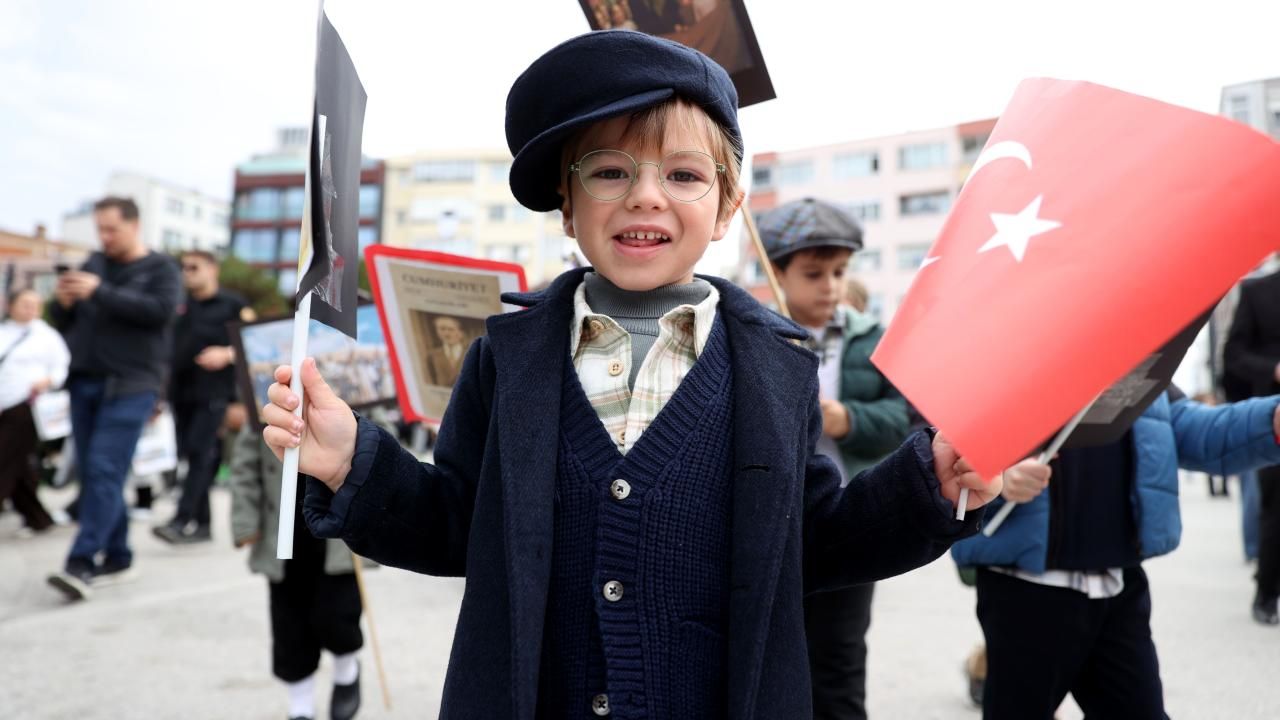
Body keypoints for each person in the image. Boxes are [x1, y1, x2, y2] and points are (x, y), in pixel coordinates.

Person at [260, 30, 1002, 718]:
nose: (645, 194)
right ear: (567, 207)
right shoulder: (503, 360)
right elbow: (456, 524)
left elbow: (812, 542)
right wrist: (354, 463)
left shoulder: (779, 369)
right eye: (610, 171)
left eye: (683, 174)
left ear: (726, 208)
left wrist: (927, 485)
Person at [952, 385, 1280, 719]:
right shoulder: (1001, 360)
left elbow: (1189, 427)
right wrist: (996, 477)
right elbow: (942, 445)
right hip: (1025, 590)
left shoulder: (1131, 357)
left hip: (1118, 583)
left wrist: (1271, 421)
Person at [759, 198, 909, 720]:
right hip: (773, 525)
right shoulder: (755, 337)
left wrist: (848, 419)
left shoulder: (873, 339)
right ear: (778, 274)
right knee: (771, 660)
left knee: (840, 662)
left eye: (840, 272)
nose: (830, 286)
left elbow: (905, 419)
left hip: (847, 519)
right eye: (813, 274)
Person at [45, 196, 182, 601]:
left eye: (112, 229)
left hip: (132, 386)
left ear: (134, 225)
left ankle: (81, 561)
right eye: (100, 229)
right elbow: (65, 321)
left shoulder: (161, 268)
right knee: (96, 473)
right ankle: (119, 555)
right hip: (84, 382)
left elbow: (160, 311)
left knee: (104, 468)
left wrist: (100, 291)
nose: (104, 237)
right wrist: (62, 303)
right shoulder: (93, 263)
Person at [229, 426, 362, 720]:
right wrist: (245, 521)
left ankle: (346, 670)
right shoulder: (265, 405)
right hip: (282, 527)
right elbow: (245, 466)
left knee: (338, 614)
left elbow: (380, 437)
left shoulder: (348, 399)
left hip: (335, 529)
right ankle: (300, 705)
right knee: (289, 623)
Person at [153, 250, 251, 544]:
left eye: (194, 267)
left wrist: (228, 353)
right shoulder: (179, 305)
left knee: (200, 454)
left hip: (215, 393)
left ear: (212, 269)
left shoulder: (233, 304)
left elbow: (255, 343)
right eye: (184, 268)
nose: (187, 273)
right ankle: (203, 524)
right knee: (194, 456)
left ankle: (181, 519)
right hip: (181, 394)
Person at [1223, 266, 1280, 624]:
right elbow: (1233, 356)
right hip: (1271, 417)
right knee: (1275, 508)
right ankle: (1267, 593)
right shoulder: (1257, 292)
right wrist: (1273, 370)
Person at [0, 288, 69, 536]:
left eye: (35, 304)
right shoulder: (4, 331)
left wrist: (47, 381)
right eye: (25, 304)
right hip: (4, 403)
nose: (30, 309)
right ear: (11, 305)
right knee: (18, 465)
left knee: (5, 458)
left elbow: (61, 367)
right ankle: (38, 518)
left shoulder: (46, 336)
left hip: (27, 405)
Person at [425, 315, 467, 388]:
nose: (446, 334)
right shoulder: (432, 356)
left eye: (451, 329)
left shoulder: (472, 353)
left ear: (461, 332)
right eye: (442, 329)